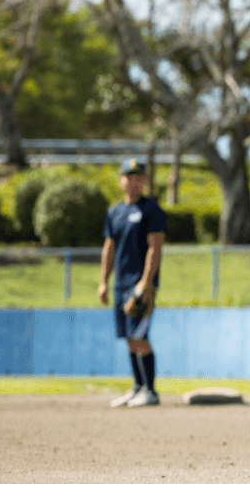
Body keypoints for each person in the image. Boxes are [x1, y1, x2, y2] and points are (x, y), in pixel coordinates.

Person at [98, 159, 167, 408]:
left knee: (139, 336)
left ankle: (151, 391)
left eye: (138, 176)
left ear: (144, 181)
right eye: (128, 176)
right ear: (120, 180)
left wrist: (145, 283)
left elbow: (154, 247)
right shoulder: (115, 211)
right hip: (120, 283)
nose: (132, 180)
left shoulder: (151, 209)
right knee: (128, 336)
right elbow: (109, 248)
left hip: (140, 284)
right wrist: (103, 282)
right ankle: (137, 387)